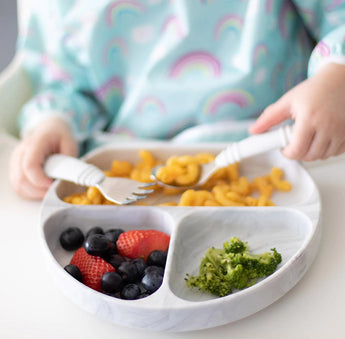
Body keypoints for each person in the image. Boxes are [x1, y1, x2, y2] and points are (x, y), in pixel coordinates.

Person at [9, 0, 345, 200]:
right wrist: (53, 122)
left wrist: (335, 76)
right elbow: (65, 81)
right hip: (126, 171)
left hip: (288, 147)